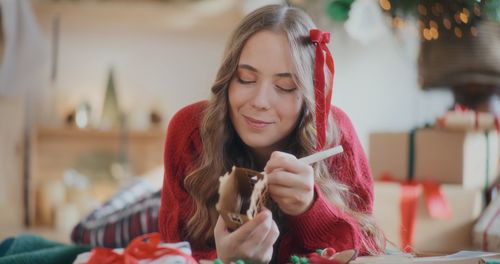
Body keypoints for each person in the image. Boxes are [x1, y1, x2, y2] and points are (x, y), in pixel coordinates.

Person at [158, 4, 385, 263]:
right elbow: (173, 252)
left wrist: (310, 208)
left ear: (309, 96)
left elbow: (366, 249)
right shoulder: (191, 130)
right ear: (227, 79)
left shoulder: (336, 133)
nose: (261, 101)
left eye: (284, 86)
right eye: (245, 78)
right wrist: (224, 259)